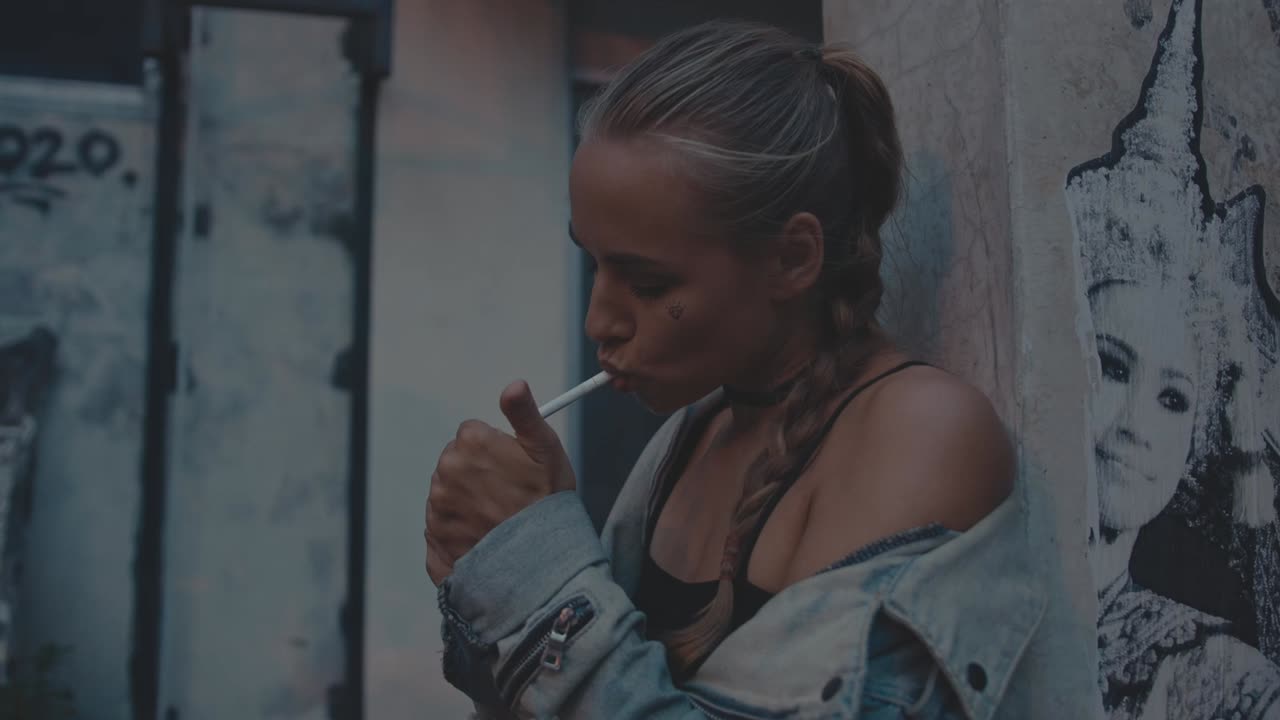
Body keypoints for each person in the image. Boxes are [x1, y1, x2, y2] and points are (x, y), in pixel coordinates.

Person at [424, 20, 1088, 718]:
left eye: (648, 285)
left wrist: (538, 571)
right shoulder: (695, 437)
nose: (600, 322)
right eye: (594, 263)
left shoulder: (921, 437)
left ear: (792, 258)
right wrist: (488, 561)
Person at [1086, 277, 1280, 719]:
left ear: (1189, 449)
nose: (1135, 425)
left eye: (1172, 399)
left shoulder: (1228, 683)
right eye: (1112, 368)